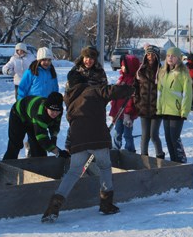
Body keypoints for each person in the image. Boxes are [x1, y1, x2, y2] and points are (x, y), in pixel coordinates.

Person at [41, 82, 135, 222]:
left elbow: (72, 125)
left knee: (73, 172)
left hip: (78, 140)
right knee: (104, 167)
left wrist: (68, 144)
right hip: (98, 138)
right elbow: (112, 90)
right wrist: (130, 89)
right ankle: (106, 204)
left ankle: (53, 207)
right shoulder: (94, 90)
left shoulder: (71, 99)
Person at [64, 46, 108, 152]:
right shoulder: (75, 70)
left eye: (91, 58)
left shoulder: (99, 72)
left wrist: (100, 105)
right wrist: (70, 106)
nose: (88, 61)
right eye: (86, 57)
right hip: (77, 107)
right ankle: (70, 151)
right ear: (83, 57)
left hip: (94, 108)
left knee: (94, 131)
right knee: (75, 130)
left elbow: (105, 91)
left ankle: (92, 152)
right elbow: (68, 91)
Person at [2, 92, 68, 160]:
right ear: (46, 107)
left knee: (38, 147)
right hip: (18, 114)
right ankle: (6, 165)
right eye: (52, 111)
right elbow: (42, 137)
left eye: (57, 111)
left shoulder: (59, 111)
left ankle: (38, 167)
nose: (55, 113)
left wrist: (53, 139)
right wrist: (57, 152)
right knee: (15, 143)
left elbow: (55, 126)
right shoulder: (40, 114)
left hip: (31, 117)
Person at [157, 47, 192, 163]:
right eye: (168, 56)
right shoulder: (163, 73)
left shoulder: (183, 74)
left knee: (174, 138)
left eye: (173, 56)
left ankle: (180, 160)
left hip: (177, 111)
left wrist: (184, 111)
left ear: (178, 58)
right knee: (168, 138)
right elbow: (160, 93)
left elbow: (188, 94)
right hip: (165, 110)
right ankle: (173, 162)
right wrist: (159, 108)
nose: (170, 58)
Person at [134, 45, 165, 159]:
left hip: (157, 109)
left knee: (154, 135)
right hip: (143, 107)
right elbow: (135, 88)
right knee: (145, 135)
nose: (150, 57)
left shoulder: (162, 71)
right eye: (148, 54)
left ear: (156, 56)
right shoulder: (140, 71)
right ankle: (143, 158)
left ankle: (160, 157)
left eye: (152, 54)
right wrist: (137, 102)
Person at [110, 54, 141, 152]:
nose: (122, 67)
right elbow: (115, 98)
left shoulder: (134, 82)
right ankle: (115, 149)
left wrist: (128, 114)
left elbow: (132, 100)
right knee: (117, 132)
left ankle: (130, 150)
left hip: (128, 114)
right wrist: (113, 113)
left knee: (127, 134)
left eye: (124, 65)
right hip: (119, 113)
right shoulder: (121, 79)